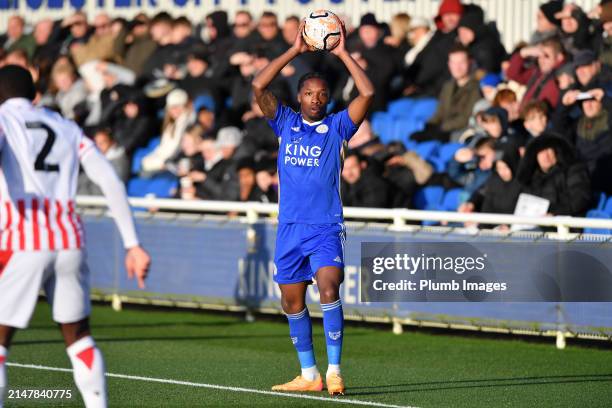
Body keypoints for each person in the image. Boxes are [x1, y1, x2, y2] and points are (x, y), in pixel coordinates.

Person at [0, 65, 150, 408]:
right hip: (68, 238)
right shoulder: (65, 126)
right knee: (79, 338)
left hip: (20, 238)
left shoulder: (4, 121)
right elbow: (109, 180)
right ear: (34, 94)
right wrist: (133, 244)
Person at [252, 19, 373, 395]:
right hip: (289, 227)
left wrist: (342, 53)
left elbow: (367, 93)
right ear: (300, 96)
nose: (316, 99)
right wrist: (294, 50)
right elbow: (258, 85)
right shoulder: (285, 122)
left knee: (329, 287)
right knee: (291, 300)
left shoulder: (338, 126)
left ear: (327, 99)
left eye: (322, 94)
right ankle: (309, 374)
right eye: (309, 94)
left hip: (324, 226)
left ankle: (335, 370)